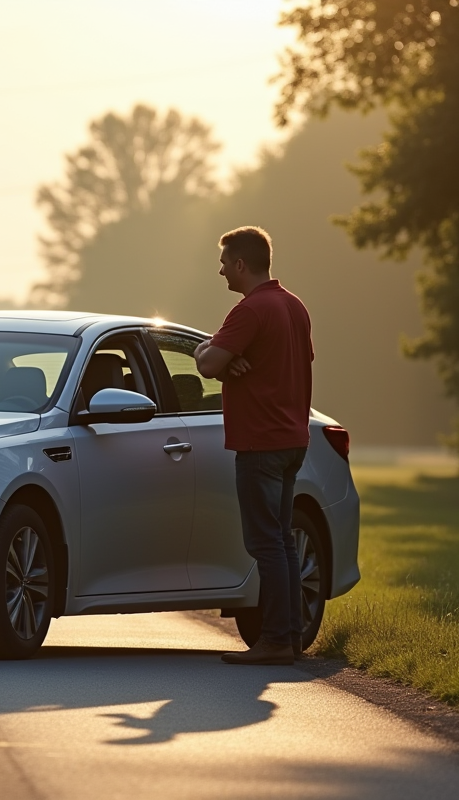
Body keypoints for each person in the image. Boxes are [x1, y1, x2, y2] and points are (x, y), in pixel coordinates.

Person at [194, 226, 313, 666]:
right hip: (291, 439)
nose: (221, 269)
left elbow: (206, 364)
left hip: (260, 442)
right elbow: (271, 363)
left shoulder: (248, 311)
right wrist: (231, 361)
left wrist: (212, 350)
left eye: (225, 261)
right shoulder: (294, 307)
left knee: (266, 544)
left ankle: (277, 640)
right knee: (281, 542)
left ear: (241, 264)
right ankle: (291, 636)